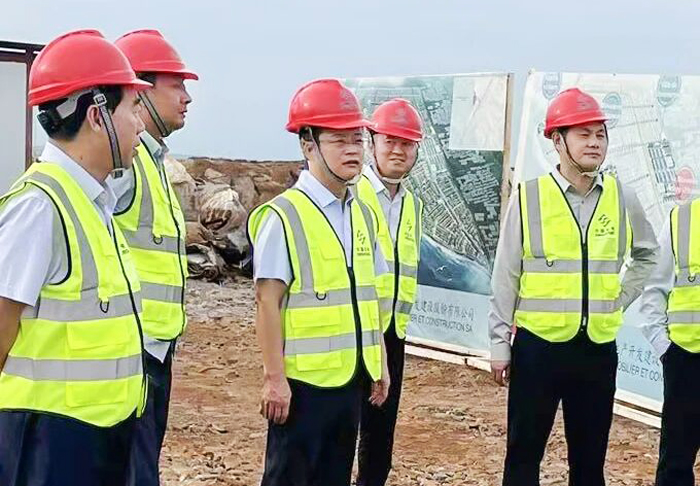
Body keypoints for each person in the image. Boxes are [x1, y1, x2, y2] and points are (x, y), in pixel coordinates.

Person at [0, 29, 150, 486]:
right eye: (133, 108)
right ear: (97, 115)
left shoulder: (93, 202)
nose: (141, 124)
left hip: (103, 439)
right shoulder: (39, 206)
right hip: (49, 448)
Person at [488, 87, 658, 486]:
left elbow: (648, 255)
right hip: (538, 350)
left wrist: (617, 300)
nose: (595, 142)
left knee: (589, 463)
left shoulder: (622, 196)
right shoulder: (529, 198)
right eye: (584, 134)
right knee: (523, 458)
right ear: (557, 141)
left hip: (596, 350)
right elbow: (506, 274)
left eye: (600, 134)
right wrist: (499, 343)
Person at [247, 78, 390, 486]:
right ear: (308, 144)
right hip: (302, 388)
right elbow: (267, 302)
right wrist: (274, 379)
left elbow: (368, 295)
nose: (353, 150)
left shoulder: (362, 214)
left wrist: (378, 361)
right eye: (339, 140)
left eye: (358, 139)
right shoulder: (284, 216)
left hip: (350, 381)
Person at [112, 29, 197, 486]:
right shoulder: (123, 167)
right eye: (176, 85)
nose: (187, 97)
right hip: (131, 351)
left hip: (155, 348)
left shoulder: (152, 161)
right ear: (141, 88)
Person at [356, 98, 423, 486]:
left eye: (406, 143)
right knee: (343, 428)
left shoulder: (413, 204)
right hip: (354, 330)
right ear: (372, 142)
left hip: (393, 331)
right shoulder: (353, 194)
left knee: (381, 434)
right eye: (390, 141)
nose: (398, 150)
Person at [641, 197, 700, 486]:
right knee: (675, 464)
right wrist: (665, 349)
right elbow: (654, 287)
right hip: (687, 361)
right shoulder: (682, 219)